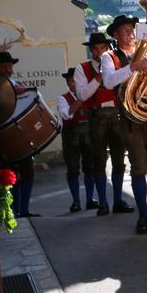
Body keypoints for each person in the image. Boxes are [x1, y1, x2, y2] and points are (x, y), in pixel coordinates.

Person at [101, 15, 147, 234]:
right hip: (130, 119)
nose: (131, 34)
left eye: (133, 30)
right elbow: (108, 81)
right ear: (115, 34)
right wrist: (133, 67)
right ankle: (143, 216)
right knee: (139, 167)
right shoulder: (109, 56)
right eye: (125, 31)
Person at [75, 32, 133, 215]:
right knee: (98, 163)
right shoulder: (81, 68)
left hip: (117, 116)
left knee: (119, 162)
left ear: (107, 48)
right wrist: (98, 78)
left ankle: (117, 201)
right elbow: (82, 95)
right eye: (95, 49)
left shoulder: (116, 64)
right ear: (90, 50)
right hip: (96, 119)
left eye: (103, 48)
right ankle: (102, 203)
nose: (99, 53)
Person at [0, 51, 40, 218]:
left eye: (10, 66)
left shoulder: (13, 82)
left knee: (27, 171)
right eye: (4, 66)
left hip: (19, 132)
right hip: (3, 133)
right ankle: (12, 211)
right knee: (9, 174)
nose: (8, 69)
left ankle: (24, 209)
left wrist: (23, 91)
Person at [58, 68, 95, 213]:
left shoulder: (90, 95)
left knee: (90, 168)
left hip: (89, 134)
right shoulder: (62, 98)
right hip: (71, 136)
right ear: (68, 83)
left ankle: (90, 199)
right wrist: (80, 99)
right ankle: (76, 202)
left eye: (76, 81)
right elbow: (66, 115)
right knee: (73, 170)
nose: (74, 84)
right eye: (71, 81)